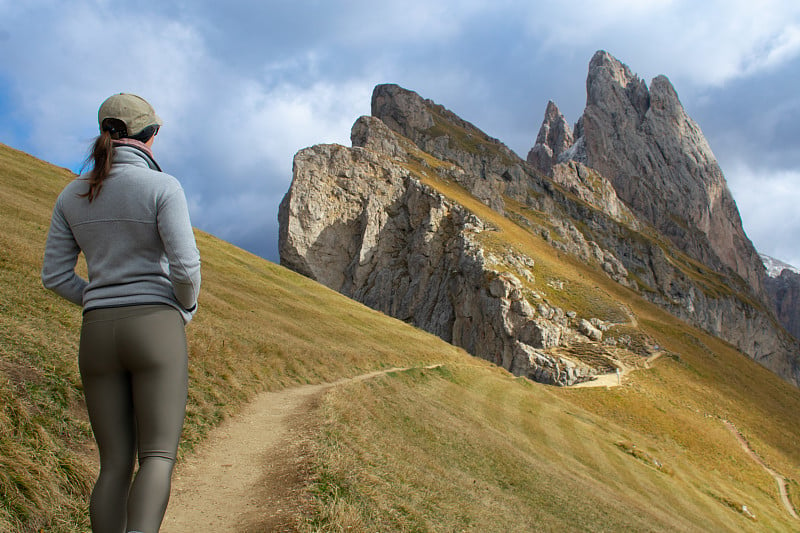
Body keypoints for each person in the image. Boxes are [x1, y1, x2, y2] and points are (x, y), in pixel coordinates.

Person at [42, 93, 201, 533]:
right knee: (156, 456)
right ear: (149, 136)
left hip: (96, 334)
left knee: (113, 464)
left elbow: (54, 276)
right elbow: (186, 267)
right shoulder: (162, 187)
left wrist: (96, 299)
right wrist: (183, 306)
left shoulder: (71, 195)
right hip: (155, 326)